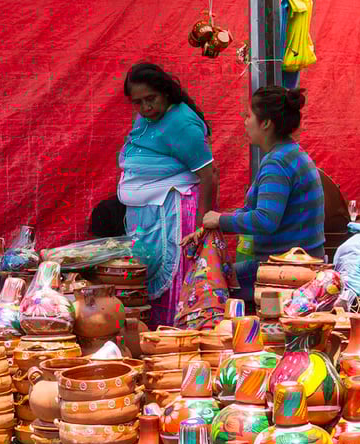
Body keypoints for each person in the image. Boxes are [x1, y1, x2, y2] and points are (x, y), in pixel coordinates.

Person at [89, 62, 218, 328]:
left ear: (166, 92)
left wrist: (201, 225)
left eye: (151, 99)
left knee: (174, 280)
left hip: (174, 211)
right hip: (150, 212)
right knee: (146, 276)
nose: (146, 107)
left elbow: (210, 175)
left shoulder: (181, 124)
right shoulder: (147, 119)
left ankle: (173, 336)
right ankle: (148, 335)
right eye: (138, 102)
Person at [192, 86, 325, 303]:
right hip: (301, 262)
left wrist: (220, 220)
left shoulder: (277, 163)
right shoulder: (291, 153)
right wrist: (214, 223)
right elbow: (255, 211)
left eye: (248, 115)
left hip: (286, 270)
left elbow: (265, 220)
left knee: (205, 285)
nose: (245, 122)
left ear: (265, 123)